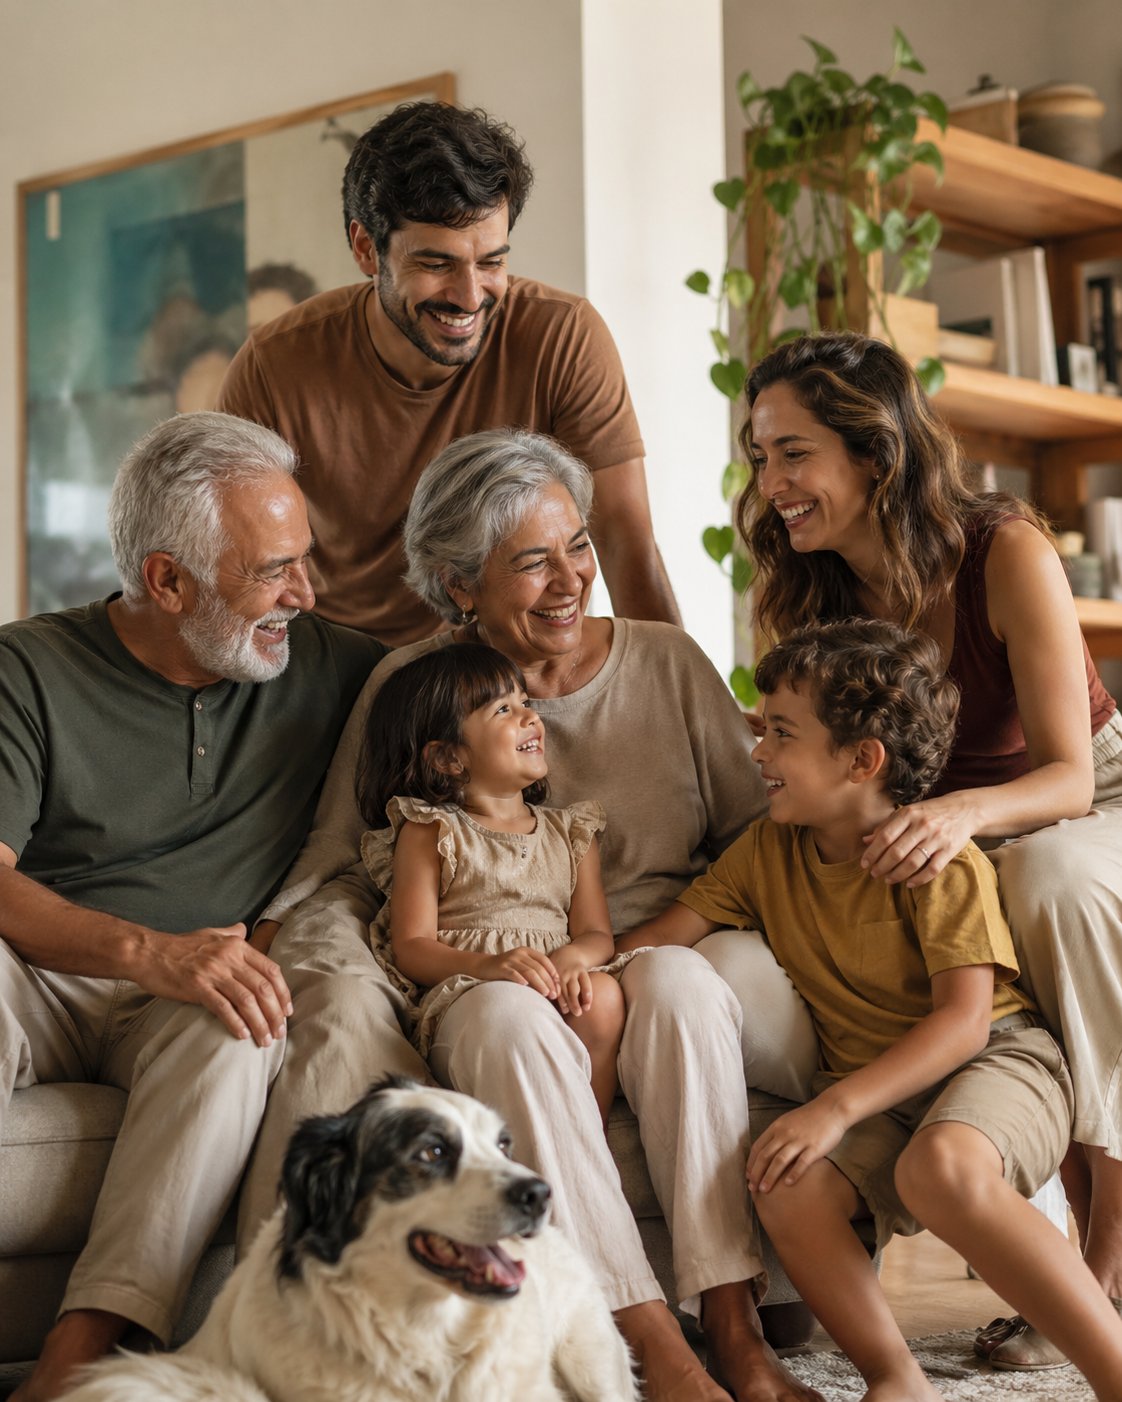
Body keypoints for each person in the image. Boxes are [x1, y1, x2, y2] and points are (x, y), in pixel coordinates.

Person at [252, 427, 822, 1402]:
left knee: (683, 990)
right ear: (459, 584)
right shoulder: (416, 687)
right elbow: (340, 857)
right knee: (506, 1017)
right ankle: (651, 1344)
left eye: (579, 548)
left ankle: (735, 1329)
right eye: (531, 561)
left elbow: (761, 837)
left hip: (650, 939)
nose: (569, 581)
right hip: (488, 969)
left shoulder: (670, 663)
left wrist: (631, 947)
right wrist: (273, 943)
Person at [737, 329, 1122, 1371]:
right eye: (758, 454)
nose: (770, 482)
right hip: (943, 820)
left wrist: (960, 816)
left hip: (1079, 792)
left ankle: (1106, 1258)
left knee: (1047, 879)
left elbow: (1069, 780)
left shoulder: (1007, 550)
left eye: (793, 453)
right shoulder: (810, 584)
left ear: (877, 452)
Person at [617, 618, 1122, 1401]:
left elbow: (964, 1022)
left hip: (998, 1058)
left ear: (862, 760)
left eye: (781, 733)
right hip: (885, 1094)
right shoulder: (763, 854)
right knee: (783, 1180)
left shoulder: (937, 863)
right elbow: (660, 935)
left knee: (940, 1169)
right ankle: (896, 1379)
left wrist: (832, 1108)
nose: (759, 753)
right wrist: (567, 960)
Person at [1, 412, 386, 1401]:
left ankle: (77, 1365)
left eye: (304, 561)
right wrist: (147, 950)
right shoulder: (28, 669)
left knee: (242, 1021)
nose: (304, 594)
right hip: (37, 968)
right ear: (166, 581)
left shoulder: (329, 668)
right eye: (272, 572)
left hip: (185, 992)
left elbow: (481, 679)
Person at [216, 101, 680, 646]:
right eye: (436, 265)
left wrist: (684, 705)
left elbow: (626, 540)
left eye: (491, 263)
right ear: (367, 248)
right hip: (345, 674)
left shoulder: (563, 336)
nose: (469, 297)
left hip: (516, 667)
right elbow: (236, 566)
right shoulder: (275, 365)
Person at [358, 642, 630, 1123]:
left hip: (550, 978)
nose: (530, 717)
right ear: (448, 758)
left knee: (603, 998)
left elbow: (597, 934)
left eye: (525, 701)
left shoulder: (571, 834)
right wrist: (490, 966)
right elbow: (412, 946)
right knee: (511, 1012)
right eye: (504, 709)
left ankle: (590, 1135)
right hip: (475, 989)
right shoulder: (432, 831)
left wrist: (566, 962)